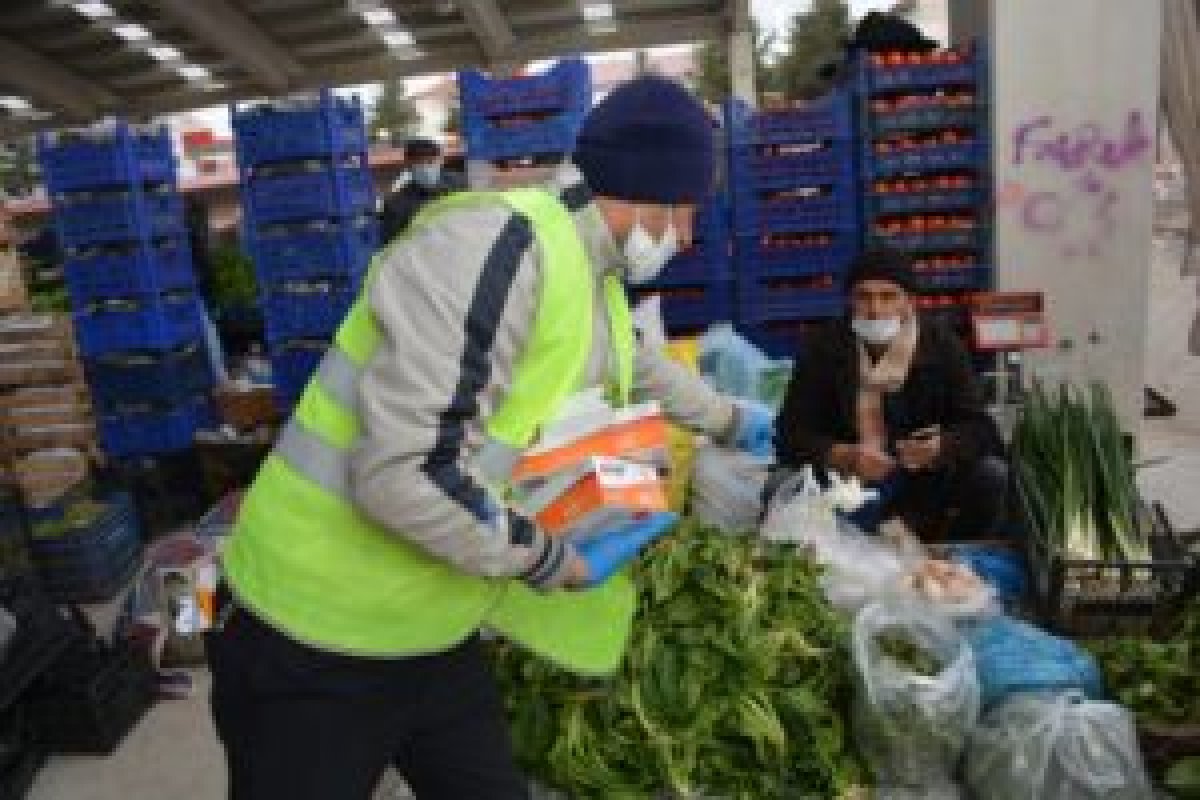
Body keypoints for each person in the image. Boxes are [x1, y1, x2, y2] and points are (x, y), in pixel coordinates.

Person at [206, 75, 773, 800]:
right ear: (646, 191)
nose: (687, 238)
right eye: (686, 213)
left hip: (432, 623)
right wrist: (549, 559)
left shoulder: (588, 272)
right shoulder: (493, 249)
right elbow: (403, 473)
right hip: (314, 634)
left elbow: (637, 362)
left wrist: (733, 420)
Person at [775, 248, 1007, 540]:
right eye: (864, 296)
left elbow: (981, 429)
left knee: (991, 475)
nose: (875, 310)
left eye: (888, 296)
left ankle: (949, 551)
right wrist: (844, 455)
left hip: (924, 484)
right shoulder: (824, 348)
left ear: (909, 301)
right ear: (849, 300)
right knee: (781, 486)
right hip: (844, 484)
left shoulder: (942, 347)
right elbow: (790, 434)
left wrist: (941, 446)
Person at [379, 136, 466, 243]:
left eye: (430, 162)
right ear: (408, 165)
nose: (426, 169)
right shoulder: (396, 205)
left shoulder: (460, 185)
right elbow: (393, 244)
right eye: (419, 164)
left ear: (441, 160)